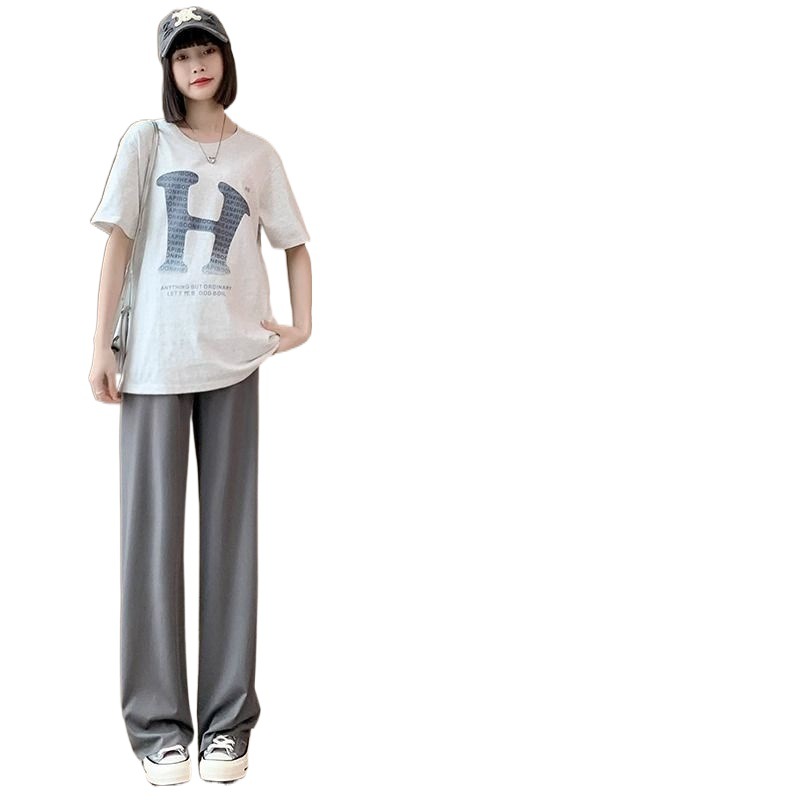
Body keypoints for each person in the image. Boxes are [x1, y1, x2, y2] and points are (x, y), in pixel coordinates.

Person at [87, 7, 312, 786]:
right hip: (155, 361)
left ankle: (226, 724)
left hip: (235, 360)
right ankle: (157, 728)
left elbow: (295, 242)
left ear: (226, 59)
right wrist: (99, 346)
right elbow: (118, 244)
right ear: (167, 70)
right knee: (150, 542)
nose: (196, 66)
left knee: (230, 541)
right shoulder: (144, 142)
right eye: (181, 56)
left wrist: (301, 324)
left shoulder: (257, 154)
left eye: (206, 50)